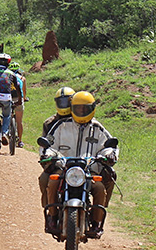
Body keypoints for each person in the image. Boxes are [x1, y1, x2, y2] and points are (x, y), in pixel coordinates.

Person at [41, 91, 117, 238]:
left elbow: (109, 145)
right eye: (78, 108)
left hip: (89, 171)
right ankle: (52, 217)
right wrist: (48, 154)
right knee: (52, 183)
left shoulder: (98, 128)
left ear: (92, 109)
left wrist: (108, 155)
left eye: (85, 109)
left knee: (100, 189)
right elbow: (49, 144)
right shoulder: (61, 125)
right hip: (64, 169)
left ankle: (96, 223)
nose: (81, 111)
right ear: (72, 108)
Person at [37, 87, 75, 222]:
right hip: (58, 162)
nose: (64, 105)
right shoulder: (49, 123)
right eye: (61, 102)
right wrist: (47, 159)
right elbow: (44, 147)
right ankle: (51, 212)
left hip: (80, 163)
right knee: (44, 180)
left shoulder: (82, 120)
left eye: (67, 102)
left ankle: (97, 216)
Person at [8, 63, 27, 148]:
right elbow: (24, 91)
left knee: (5, 116)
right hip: (18, 100)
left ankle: (1, 135)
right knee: (19, 121)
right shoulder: (22, 78)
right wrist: (24, 98)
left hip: (8, 98)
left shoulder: (7, 76)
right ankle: (20, 141)